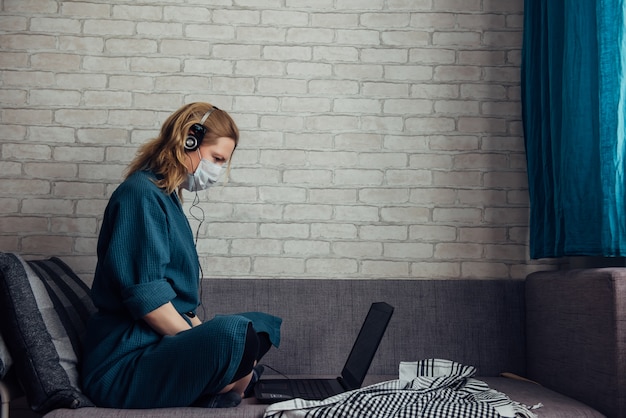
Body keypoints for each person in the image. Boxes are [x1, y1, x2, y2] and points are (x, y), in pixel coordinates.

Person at [81, 102, 281, 409]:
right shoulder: (140, 195)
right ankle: (230, 384)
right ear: (189, 139)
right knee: (232, 334)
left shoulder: (166, 197)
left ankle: (225, 384)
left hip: (158, 345)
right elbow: (149, 303)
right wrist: (209, 344)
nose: (217, 171)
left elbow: (180, 305)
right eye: (216, 158)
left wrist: (209, 342)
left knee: (259, 326)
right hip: (122, 364)